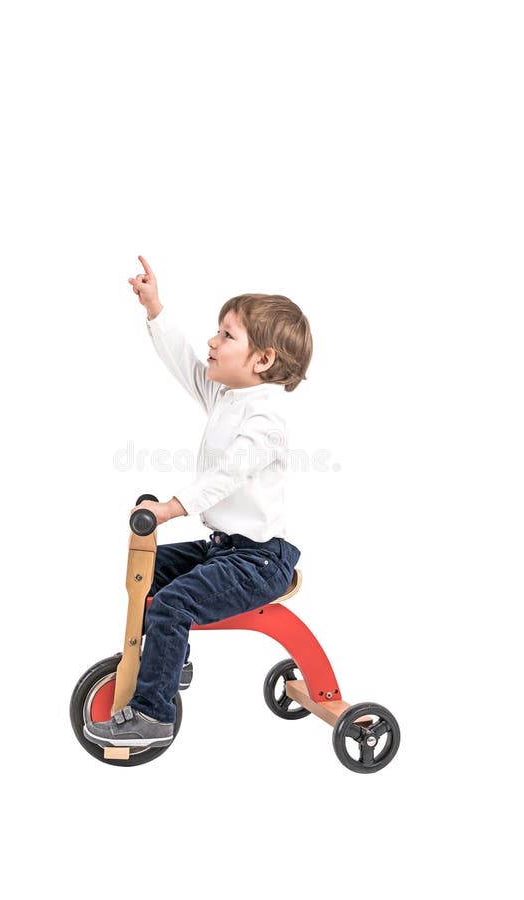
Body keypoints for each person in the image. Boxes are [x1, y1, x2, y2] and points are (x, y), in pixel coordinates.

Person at [83, 255, 313, 749]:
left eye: (227, 336)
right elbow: (185, 362)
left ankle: (153, 713)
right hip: (224, 548)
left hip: (259, 560)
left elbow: (227, 476)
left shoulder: (266, 419)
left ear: (264, 360)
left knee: (173, 601)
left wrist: (171, 507)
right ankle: (170, 660)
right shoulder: (228, 396)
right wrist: (155, 309)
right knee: (151, 570)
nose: (213, 341)